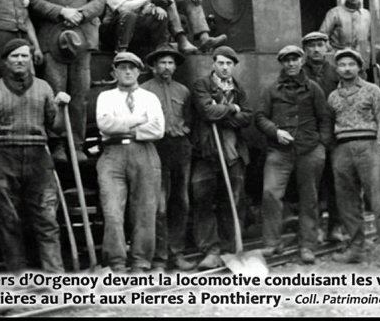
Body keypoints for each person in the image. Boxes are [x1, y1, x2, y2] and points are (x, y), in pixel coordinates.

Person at [0, 39, 70, 274]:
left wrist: (60, 108)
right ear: (5, 62)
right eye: (14, 56)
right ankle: (18, 274)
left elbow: (57, 128)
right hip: (3, 156)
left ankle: (54, 274)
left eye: (24, 56)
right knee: (9, 219)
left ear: (32, 60)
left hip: (38, 156)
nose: (20, 60)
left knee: (47, 218)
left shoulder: (44, 88)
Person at [29, 0, 105, 163]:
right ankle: (58, 144)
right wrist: (62, 11)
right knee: (56, 93)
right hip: (53, 40)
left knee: (80, 94)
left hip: (82, 41)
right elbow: (35, 1)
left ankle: (78, 146)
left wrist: (79, 14)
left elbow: (99, 0)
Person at [255, 45, 333, 263]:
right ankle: (272, 243)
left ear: (301, 61)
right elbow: (260, 116)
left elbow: (325, 117)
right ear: (282, 63)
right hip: (280, 152)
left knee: (309, 198)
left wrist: (321, 146)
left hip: (309, 151)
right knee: (270, 193)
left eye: (295, 59)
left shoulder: (314, 89)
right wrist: (275, 131)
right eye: (286, 60)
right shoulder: (271, 90)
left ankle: (308, 245)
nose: (291, 64)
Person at [328, 49, 380, 269]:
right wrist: (335, 153)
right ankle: (355, 249)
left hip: (369, 146)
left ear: (359, 67)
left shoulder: (372, 90)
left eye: (351, 64)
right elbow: (329, 125)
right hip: (342, 149)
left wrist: (379, 147)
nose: (347, 68)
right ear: (337, 69)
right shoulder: (332, 97)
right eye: (342, 65)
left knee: (379, 200)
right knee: (347, 202)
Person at [96, 52, 165, 273]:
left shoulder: (150, 98)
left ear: (139, 71)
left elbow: (157, 129)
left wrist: (123, 124)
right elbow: (105, 124)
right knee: (112, 210)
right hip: (112, 154)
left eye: (132, 68)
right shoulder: (105, 97)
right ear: (114, 72)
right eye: (122, 67)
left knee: (145, 209)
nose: (127, 72)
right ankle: (116, 262)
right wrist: (138, 121)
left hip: (144, 152)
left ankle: (140, 262)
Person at [190, 46, 252, 270]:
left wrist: (225, 111)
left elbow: (247, 117)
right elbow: (206, 112)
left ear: (234, 66)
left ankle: (230, 249)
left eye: (229, 64)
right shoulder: (202, 85)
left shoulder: (239, 89)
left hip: (233, 153)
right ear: (213, 64)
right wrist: (233, 109)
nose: (225, 67)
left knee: (233, 202)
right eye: (221, 63)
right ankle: (210, 250)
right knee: (203, 201)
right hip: (206, 153)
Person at [140, 45, 197, 272]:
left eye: (171, 63)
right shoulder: (143, 91)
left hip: (180, 148)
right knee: (159, 206)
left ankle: (177, 254)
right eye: (162, 62)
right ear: (153, 66)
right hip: (156, 148)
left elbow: (189, 120)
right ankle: (160, 258)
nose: (167, 67)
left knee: (180, 203)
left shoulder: (183, 91)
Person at [301, 31, 346, 242]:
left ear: (327, 47)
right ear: (305, 50)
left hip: (337, 135)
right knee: (313, 183)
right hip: (311, 136)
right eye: (311, 46)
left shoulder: (337, 73)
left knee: (336, 181)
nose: (316, 49)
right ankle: (316, 227)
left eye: (320, 45)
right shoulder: (300, 74)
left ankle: (336, 225)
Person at [319, 0, 372, 77]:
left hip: (360, 64)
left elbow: (370, 38)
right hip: (339, 64)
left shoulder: (367, 15)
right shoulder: (334, 13)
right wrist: (333, 53)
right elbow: (322, 37)